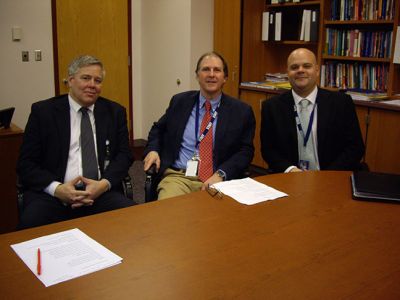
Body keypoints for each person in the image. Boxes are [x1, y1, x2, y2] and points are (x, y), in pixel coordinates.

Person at [17, 55, 135, 229]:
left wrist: (102, 185)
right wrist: (57, 189)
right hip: (54, 196)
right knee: (30, 225)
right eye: (86, 78)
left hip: (99, 193)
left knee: (135, 218)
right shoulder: (44, 112)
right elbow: (26, 164)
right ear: (70, 81)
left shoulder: (114, 112)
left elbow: (124, 156)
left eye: (98, 80)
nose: (92, 85)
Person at [143, 51, 256, 199]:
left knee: (219, 220)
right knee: (169, 216)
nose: (211, 74)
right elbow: (158, 129)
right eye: (205, 69)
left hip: (218, 180)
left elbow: (245, 151)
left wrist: (221, 174)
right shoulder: (179, 102)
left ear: (225, 78)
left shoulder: (241, 111)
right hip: (179, 177)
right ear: (197, 76)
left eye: (217, 70)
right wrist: (153, 150)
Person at [260, 48, 365, 173]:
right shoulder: (271, 107)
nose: (300, 70)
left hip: (331, 177)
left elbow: (355, 148)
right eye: (294, 67)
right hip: (290, 178)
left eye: (307, 66)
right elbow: (268, 150)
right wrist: (290, 170)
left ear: (317, 70)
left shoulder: (341, 103)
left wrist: (325, 176)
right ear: (288, 73)